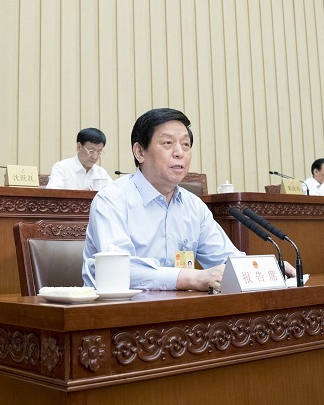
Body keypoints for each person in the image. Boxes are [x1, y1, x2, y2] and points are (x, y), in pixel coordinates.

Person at [83, 108, 290, 291]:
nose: (179, 153)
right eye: (167, 143)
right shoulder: (111, 200)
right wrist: (191, 278)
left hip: (180, 311)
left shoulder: (194, 206)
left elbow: (227, 260)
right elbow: (118, 271)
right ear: (139, 152)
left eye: (186, 144)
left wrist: (269, 270)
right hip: (115, 314)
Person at [47, 127, 112, 190]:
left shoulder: (101, 173)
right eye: (91, 151)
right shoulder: (61, 167)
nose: (94, 157)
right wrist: (81, 194)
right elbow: (53, 193)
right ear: (79, 147)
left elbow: (114, 192)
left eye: (99, 152)